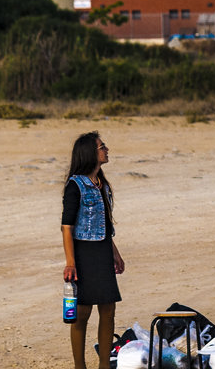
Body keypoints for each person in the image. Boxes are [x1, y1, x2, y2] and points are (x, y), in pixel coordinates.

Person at [62, 132, 124, 369]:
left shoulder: (102, 185)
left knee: (108, 308)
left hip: (102, 252)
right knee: (82, 312)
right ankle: (80, 366)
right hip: (83, 254)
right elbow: (66, 227)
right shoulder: (75, 186)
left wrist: (115, 253)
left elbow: (105, 226)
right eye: (102, 147)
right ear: (90, 153)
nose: (106, 150)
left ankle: (104, 365)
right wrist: (70, 262)